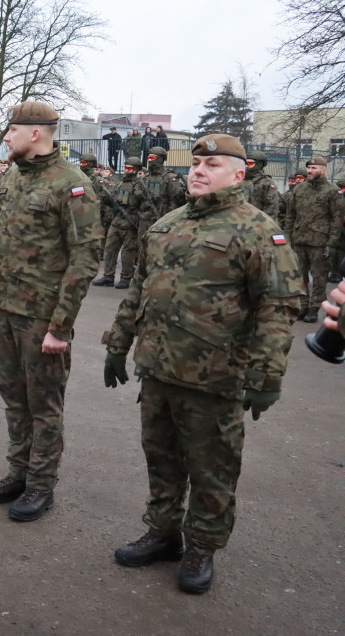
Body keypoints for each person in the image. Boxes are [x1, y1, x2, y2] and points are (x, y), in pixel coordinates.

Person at [102, 133, 302, 595]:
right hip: (157, 369)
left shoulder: (256, 229)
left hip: (214, 377)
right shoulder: (167, 223)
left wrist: (267, 375)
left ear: (239, 172)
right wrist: (118, 344)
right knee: (162, 458)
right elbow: (139, 289)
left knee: (213, 469)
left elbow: (279, 307)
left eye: (212, 164)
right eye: (196, 163)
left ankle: (202, 547)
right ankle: (164, 532)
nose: (198, 170)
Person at [0, 101, 102, 521]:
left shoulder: (72, 184)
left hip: (43, 319)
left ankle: (41, 485)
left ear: (34, 133)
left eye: (11, 130)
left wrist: (60, 326)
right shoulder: (11, 177)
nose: (6, 138)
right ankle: (18, 472)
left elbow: (84, 258)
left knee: (43, 404)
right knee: (14, 399)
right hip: (7, 311)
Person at [284, 156, 342, 322]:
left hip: (320, 242)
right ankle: (302, 306)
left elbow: (337, 219)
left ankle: (314, 309)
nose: (310, 171)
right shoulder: (299, 189)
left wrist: (331, 244)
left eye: (314, 168)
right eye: (309, 168)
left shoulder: (332, 191)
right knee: (299, 276)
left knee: (319, 278)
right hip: (299, 241)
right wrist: (288, 237)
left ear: (323, 170)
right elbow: (290, 215)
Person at [92, 158, 141, 288]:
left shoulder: (139, 185)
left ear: (136, 169)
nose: (126, 170)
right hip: (117, 220)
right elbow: (113, 196)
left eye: (130, 168)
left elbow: (143, 203)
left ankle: (125, 278)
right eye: (126, 168)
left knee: (128, 253)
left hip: (129, 222)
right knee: (109, 249)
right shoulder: (120, 183)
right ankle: (108, 276)